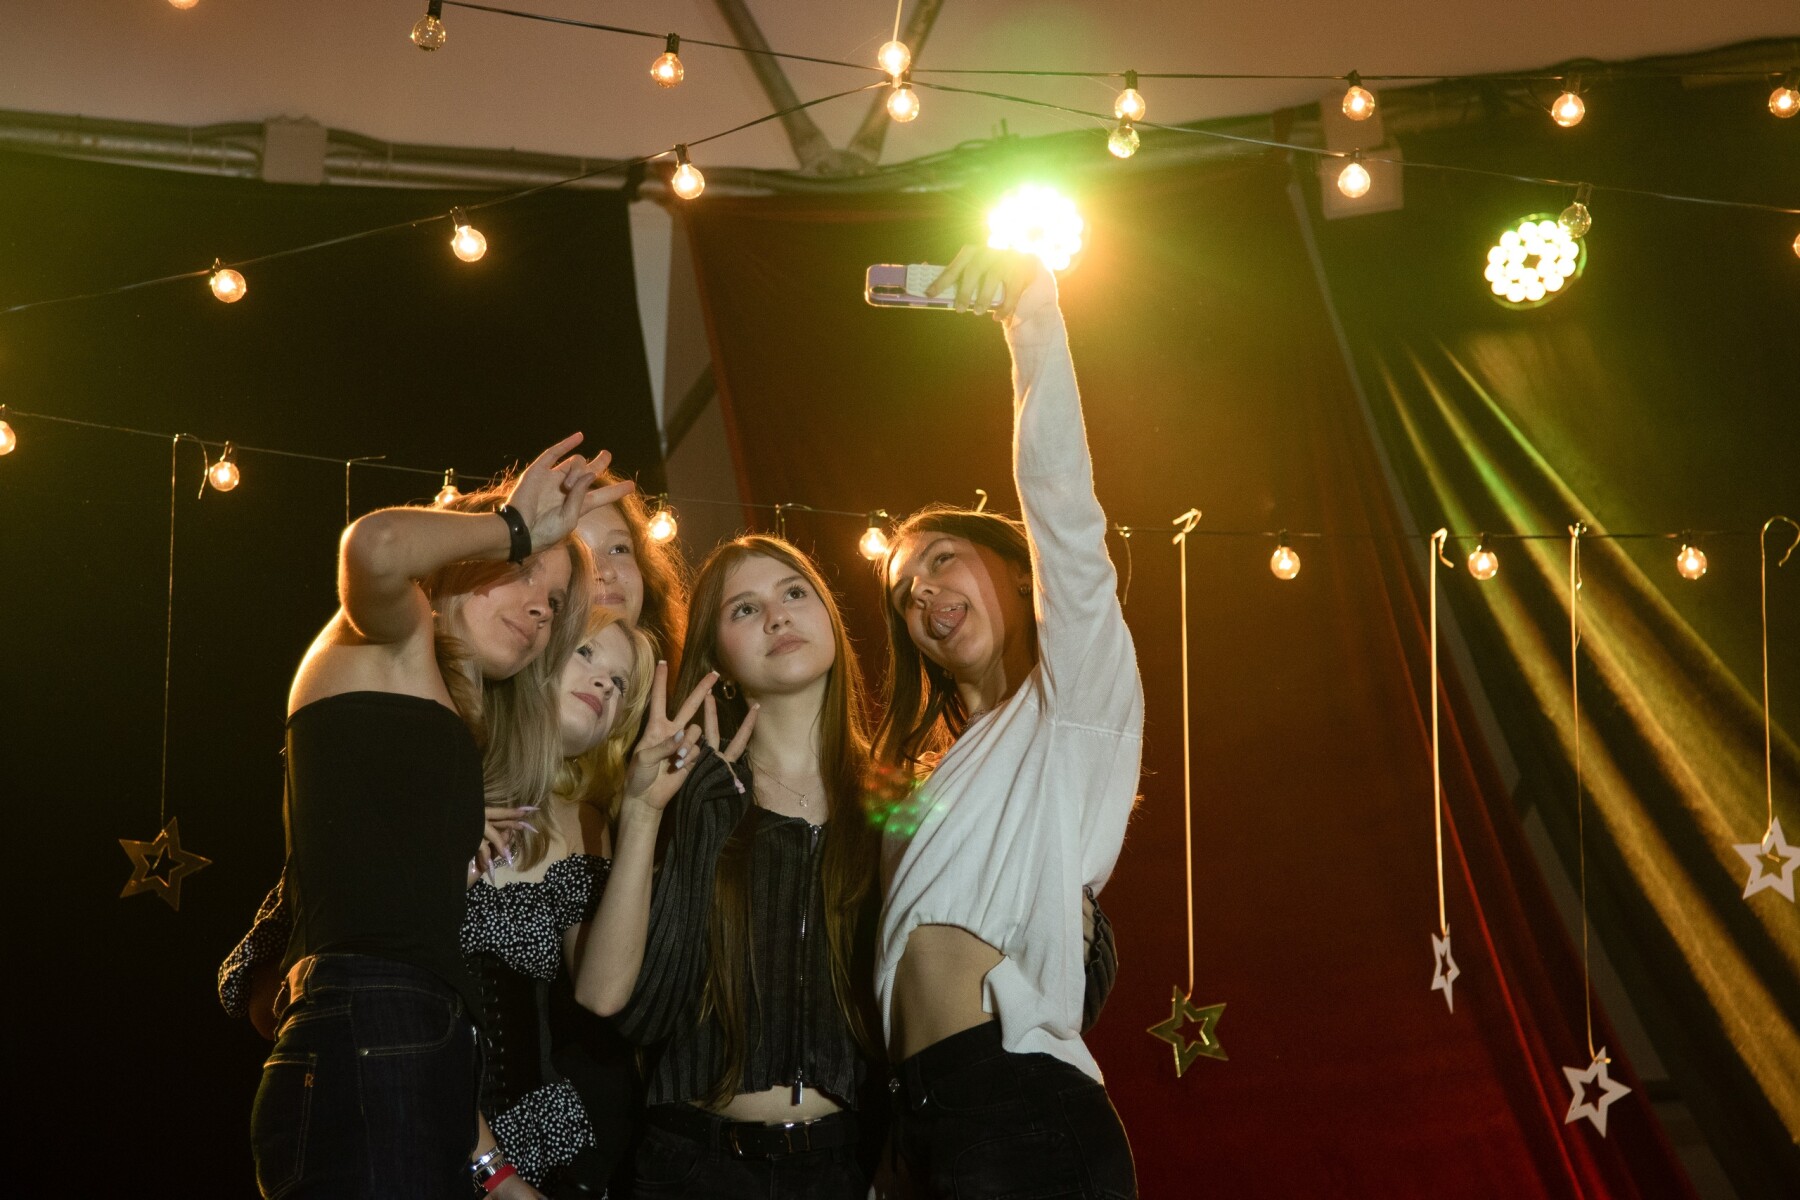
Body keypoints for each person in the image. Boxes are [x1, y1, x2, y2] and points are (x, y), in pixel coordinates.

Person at [579, 535, 1125, 1198]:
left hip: (848, 1171)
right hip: (694, 1167)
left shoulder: (897, 805)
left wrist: (1072, 904)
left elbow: (1043, 972)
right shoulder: (678, 788)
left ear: (831, 622)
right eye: (744, 609)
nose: (777, 616)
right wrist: (655, 814)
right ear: (716, 658)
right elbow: (619, 1005)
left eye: (794, 592)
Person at [247, 435, 623, 1198]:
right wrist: (514, 526)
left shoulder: (432, 713)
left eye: (554, 603)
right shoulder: (393, 631)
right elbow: (375, 545)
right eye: (524, 572)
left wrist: (498, 1176)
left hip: (419, 1043)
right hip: (370, 1024)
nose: (538, 608)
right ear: (459, 559)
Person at [874, 248, 1142, 1199]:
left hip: (1016, 1106)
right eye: (904, 592)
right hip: (922, 1119)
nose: (922, 591)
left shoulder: (1075, 706)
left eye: (942, 559)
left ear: (1023, 573)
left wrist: (1031, 324)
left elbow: (1064, 506)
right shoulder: (925, 776)